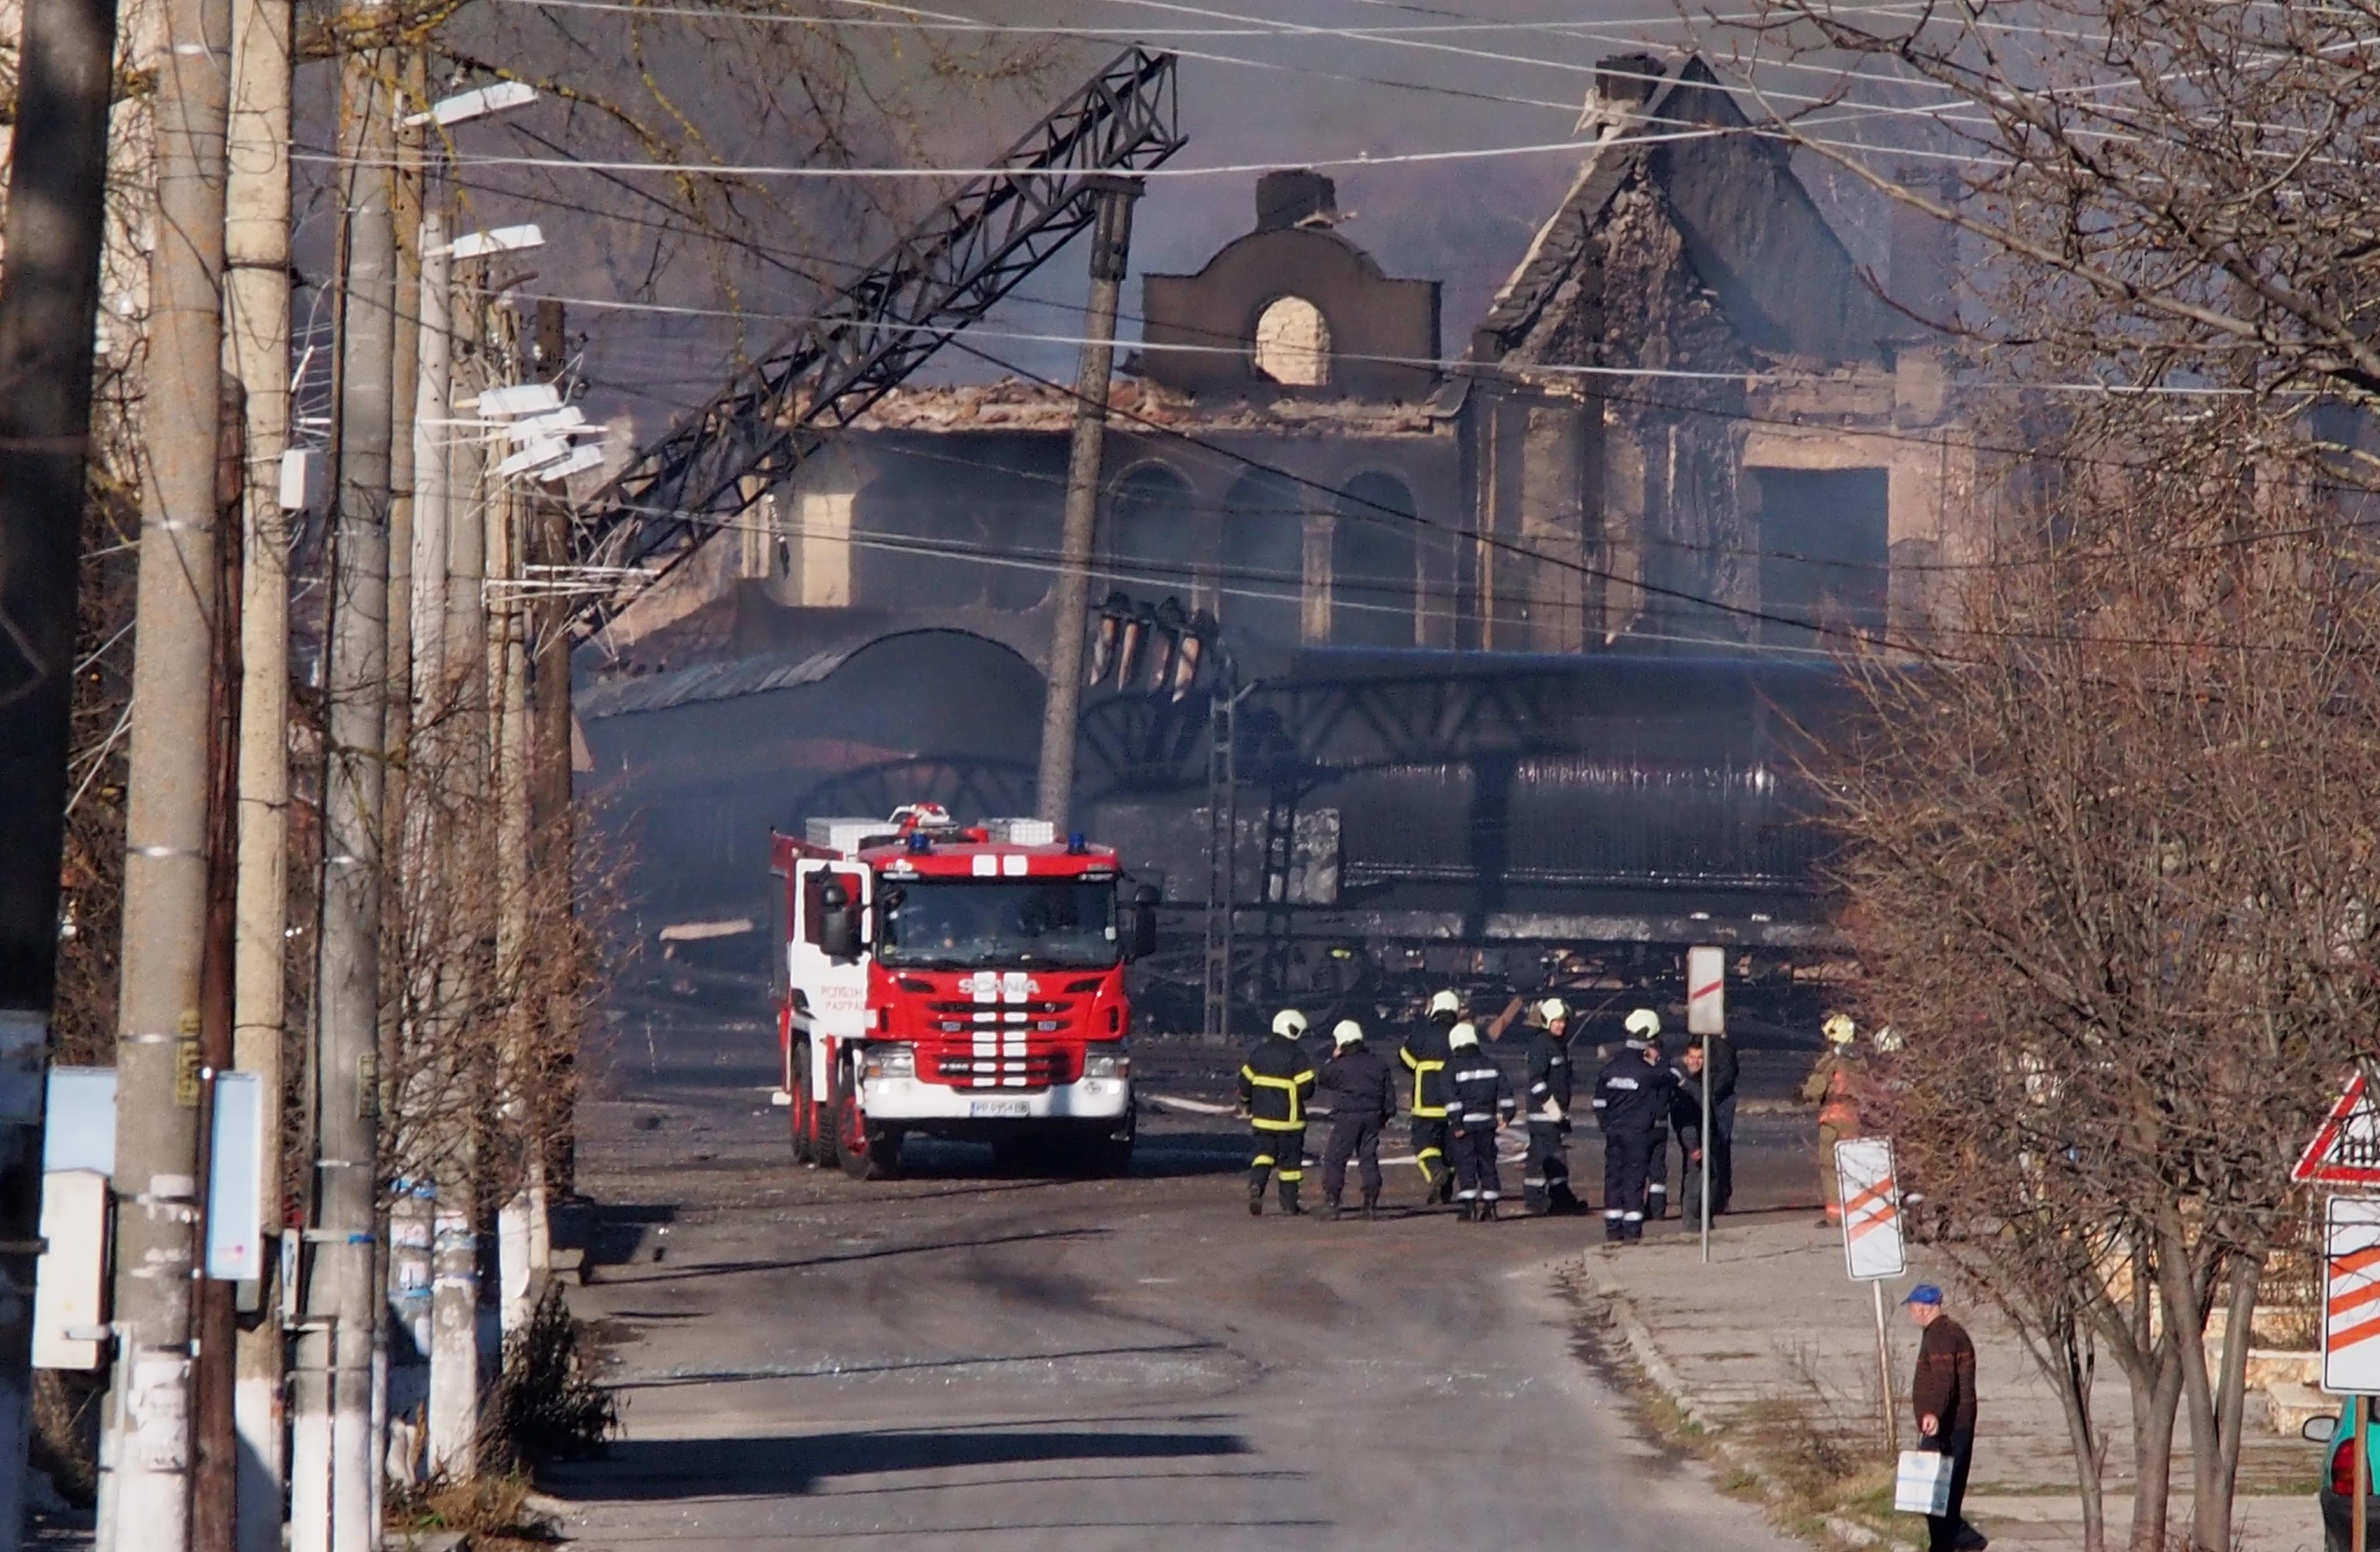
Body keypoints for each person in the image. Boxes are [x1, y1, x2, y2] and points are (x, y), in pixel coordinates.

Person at [1905, 1283, 1985, 1552]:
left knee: (1933, 1495)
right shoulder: (1950, 1332)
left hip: (1947, 1428)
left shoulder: (1940, 1336)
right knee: (1937, 1496)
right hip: (1952, 1425)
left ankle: (1966, 1541)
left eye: (1912, 1308)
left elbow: (1943, 1380)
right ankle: (1945, 1546)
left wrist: (1933, 1414)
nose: (1911, 1314)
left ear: (1922, 1308)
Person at [1592, 1010, 1680, 1243]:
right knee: (1633, 1180)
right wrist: (1657, 1060)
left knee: (1613, 1179)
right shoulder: (1648, 1072)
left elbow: (1598, 1102)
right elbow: (1674, 1076)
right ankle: (1632, 1230)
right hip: (1638, 1134)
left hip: (1614, 1133)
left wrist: (1605, 1124)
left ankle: (1613, 1228)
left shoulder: (1610, 1070)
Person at [1239, 1008, 1318, 1217]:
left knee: (1263, 1156)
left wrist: (1246, 1103)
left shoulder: (1258, 1054)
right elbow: (1307, 1090)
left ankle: (1257, 1184)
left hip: (1263, 1121)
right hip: (1290, 1122)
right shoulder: (1299, 1057)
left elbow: (1244, 1083)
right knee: (1290, 1165)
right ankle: (1289, 1205)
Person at [1316, 1019, 1396, 1221]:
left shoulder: (1340, 1065)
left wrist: (1332, 1059)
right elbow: (1389, 1093)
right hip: (1372, 1117)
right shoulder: (1378, 1063)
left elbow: (1323, 1078)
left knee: (1336, 1158)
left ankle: (1332, 1203)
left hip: (1347, 1117)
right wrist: (1386, 1115)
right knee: (1368, 1158)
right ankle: (1370, 1204)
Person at [1801, 1013, 1868, 1226]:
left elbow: (1814, 1090)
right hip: (1855, 1119)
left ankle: (1835, 1216)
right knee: (1855, 1165)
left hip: (1832, 1121)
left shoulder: (1831, 1062)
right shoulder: (1862, 1062)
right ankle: (1857, 1210)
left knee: (1829, 1166)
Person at [1444, 1022, 1514, 1221]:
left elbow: (1451, 1101)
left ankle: (1469, 1207)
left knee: (1466, 1165)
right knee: (1487, 1163)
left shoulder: (1452, 1068)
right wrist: (1508, 1115)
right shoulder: (1492, 1065)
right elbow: (1506, 1092)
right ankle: (1490, 1207)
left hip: (1465, 1127)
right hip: (1487, 1124)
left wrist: (1457, 1124)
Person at [1399, 990, 1461, 1204]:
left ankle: (1435, 1172)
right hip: (1454, 1104)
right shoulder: (1460, 1035)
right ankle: (1447, 1185)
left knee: (1424, 1145)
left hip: (1425, 1104)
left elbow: (1404, 1059)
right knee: (1451, 1147)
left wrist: (1420, 1068)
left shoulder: (1423, 1033)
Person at [1519, 998, 1580, 1215]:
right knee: (1553, 1156)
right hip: (1544, 1115)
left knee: (1540, 1157)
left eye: (1563, 1021)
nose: (1561, 1025)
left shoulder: (1558, 1046)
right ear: (1546, 1021)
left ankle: (1542, 1198)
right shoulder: (1541, 1046)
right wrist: (1551, 1107)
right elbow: (1536, 1080)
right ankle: (1557, 1198)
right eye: (1556, 1021)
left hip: (1554, 1115)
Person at [1674, 1039, 1709, 1228]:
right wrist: (1693, 1145)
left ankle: (1701, 1220)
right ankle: (1691, 1223)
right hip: (1692, 1138)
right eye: (1692, 1057)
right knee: (1694, 1178)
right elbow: (1685, 1119)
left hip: (1703, 1136)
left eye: (1701, 1058)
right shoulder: (1686, 1087)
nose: (1696, 1062)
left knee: (1703, 1177)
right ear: (1686, 1059)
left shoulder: (1702, 1081)